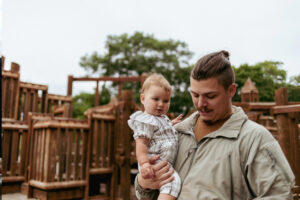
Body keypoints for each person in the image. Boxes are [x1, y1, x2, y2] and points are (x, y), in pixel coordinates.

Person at [134, 50, 295, 199]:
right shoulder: (176, 134)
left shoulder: (254, 139)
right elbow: (149, 193)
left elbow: (280, 194)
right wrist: (144, 184)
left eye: (210, 96)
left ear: (231, 90)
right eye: (195, 95)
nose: (201, 103)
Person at [128, 74, 183, 200]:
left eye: (165, 101)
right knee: (172, 182)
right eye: (155, 99)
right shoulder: (146, 121)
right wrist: (145, 164)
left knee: (169, 183)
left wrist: (171, 123)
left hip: (161, 161)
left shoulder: (162, 118)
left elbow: (162, 128)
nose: (160, 104)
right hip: (152, 161)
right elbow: (141, 144)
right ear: (143, 99)